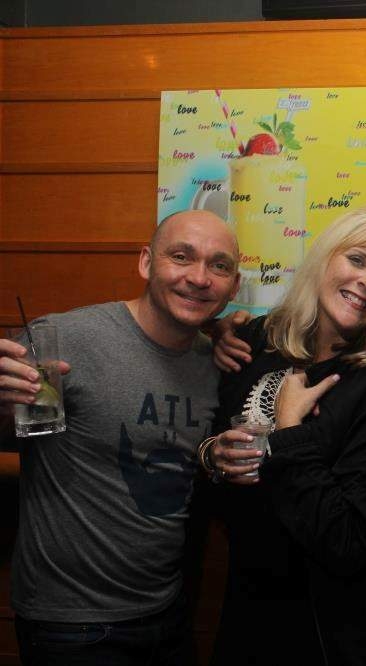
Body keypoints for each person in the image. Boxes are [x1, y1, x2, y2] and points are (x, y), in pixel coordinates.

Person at [0, 210, 240, 665]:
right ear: (146, 262)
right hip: (71, 625)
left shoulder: (215, 362)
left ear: (234, 286)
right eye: (181, 257)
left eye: (219, 266)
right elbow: (12, 424)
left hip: (167, 611)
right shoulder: (62, 338)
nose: (199, 278)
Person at [204, 206, 366, 665]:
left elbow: (350, 543)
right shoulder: (258, 340)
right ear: (325, 257)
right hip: (249, 607)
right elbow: (214, 445)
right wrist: (211, 456)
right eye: (358, 260)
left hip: (336, 631)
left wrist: (290, 431)